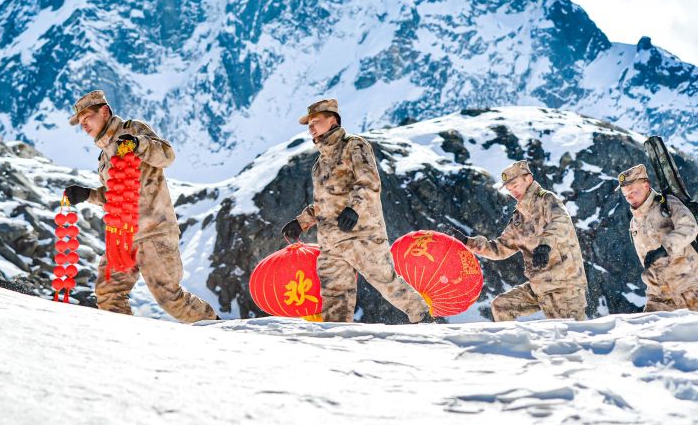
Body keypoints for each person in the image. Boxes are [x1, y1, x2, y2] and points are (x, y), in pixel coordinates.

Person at [63, 90, 218, 323]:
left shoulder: (132, 130)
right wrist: (88, 194)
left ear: (104, 111)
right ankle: (123, 342)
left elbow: (167, 155)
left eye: (88, 119)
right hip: (123, 236)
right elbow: (115, 195)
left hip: (154, 231)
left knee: (170, 297)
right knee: (108, 292)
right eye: (81, 123)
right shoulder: (104, 156)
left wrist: (138, 144)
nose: (84, 126)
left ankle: (219, 331)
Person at [281, 99, 430, 323]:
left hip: (362, 235)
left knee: (386, 282)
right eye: (308, 123)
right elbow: (325, 202)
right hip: (331, 241)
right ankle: (337, 342)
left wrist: (354, 208)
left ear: (332, 121)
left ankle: (425, 319)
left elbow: (369, 182)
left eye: (315, 121)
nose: (310, 127)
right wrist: (301, 222)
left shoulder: (354, 145)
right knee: (334, 296)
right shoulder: (320, 163)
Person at [451, 160, 587, 320]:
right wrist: (467, 242)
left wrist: (545, 246)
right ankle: (513, 344)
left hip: (564, 285)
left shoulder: (547, 200)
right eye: (509, 189)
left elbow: (561, 223)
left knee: (569, 337)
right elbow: (499, 248)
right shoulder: (519, 218)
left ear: (528, 178)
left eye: (515, 185)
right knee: (502, 306)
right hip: (539, 286)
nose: (512, 191)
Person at [618, 163, 698, 311]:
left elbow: (690, 228)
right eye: (625, 195)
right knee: (648, 332)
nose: (629, 198)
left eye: (632, 192)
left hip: (688, 287)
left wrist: (665, 248)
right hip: (658, 296)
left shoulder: (666, 204)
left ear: (646, 186)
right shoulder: (633, 223)